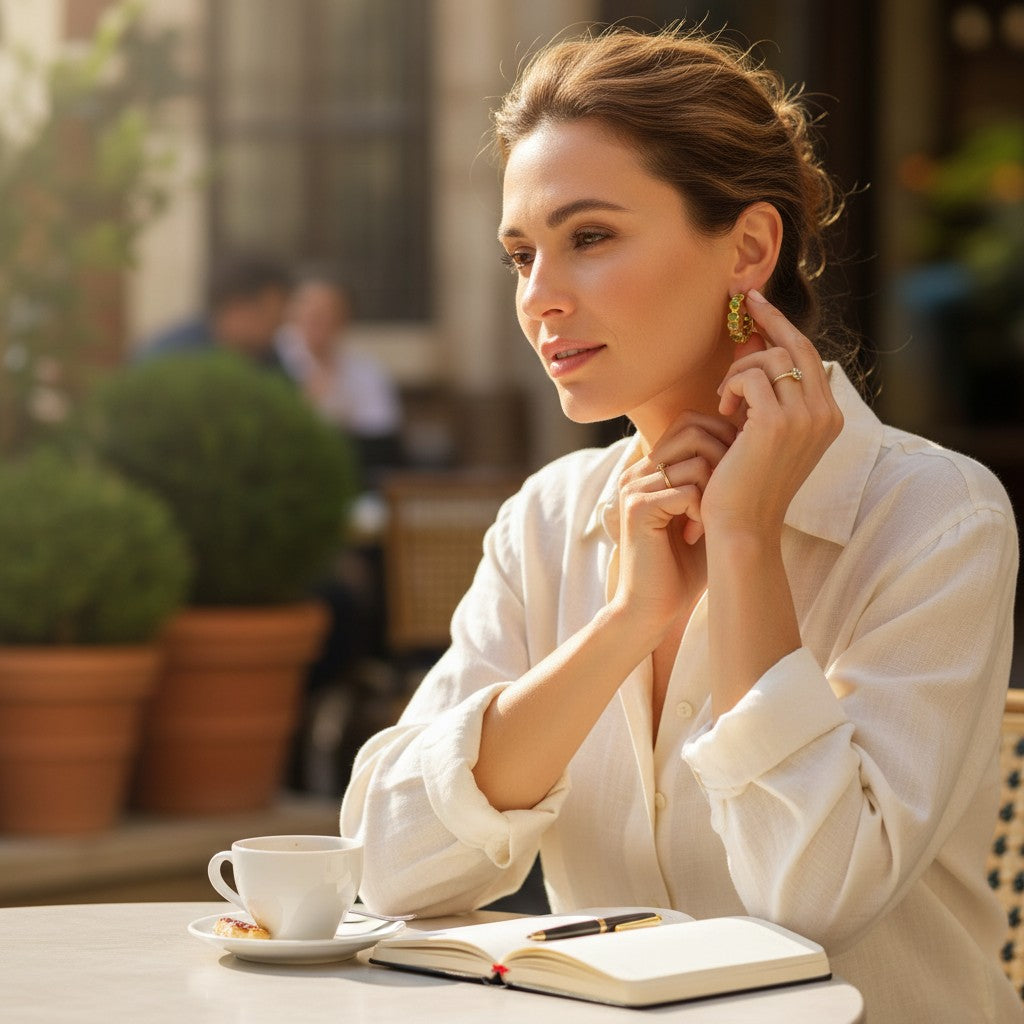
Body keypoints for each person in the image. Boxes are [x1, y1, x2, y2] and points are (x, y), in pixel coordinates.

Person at [340, 26, 1021, 1023]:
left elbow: (814, 896)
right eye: (521, 254)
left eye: (591, 237)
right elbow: (384, 866)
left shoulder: (932, 516)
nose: (539, 299)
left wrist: (743, 542)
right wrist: (623, 623)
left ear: (747, 249)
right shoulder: (548, 521)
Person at [276, 271, 404, 485]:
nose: (316, 318)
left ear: (344, 318)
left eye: (327, 312)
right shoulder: (269, 361)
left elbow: (380, 442)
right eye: (309, 308)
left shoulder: (366, 371)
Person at [137, 253, 292, 371]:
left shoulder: (268, 359)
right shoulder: (171, 356)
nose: (279, 324)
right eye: (271, 315)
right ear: (236, 307)